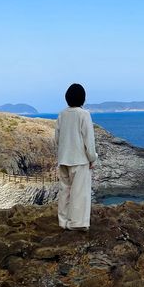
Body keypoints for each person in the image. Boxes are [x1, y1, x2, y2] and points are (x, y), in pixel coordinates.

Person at [55, 83, 98, 230]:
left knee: (64, 191)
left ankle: (63, 221)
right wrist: (92, 158)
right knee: (79, 194)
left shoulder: (62, 114)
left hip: (63, 158)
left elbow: (57, 138)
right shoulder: (84, 114)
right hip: (79, 160)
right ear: (83, 99)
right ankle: (77, 224)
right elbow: (89, 140)